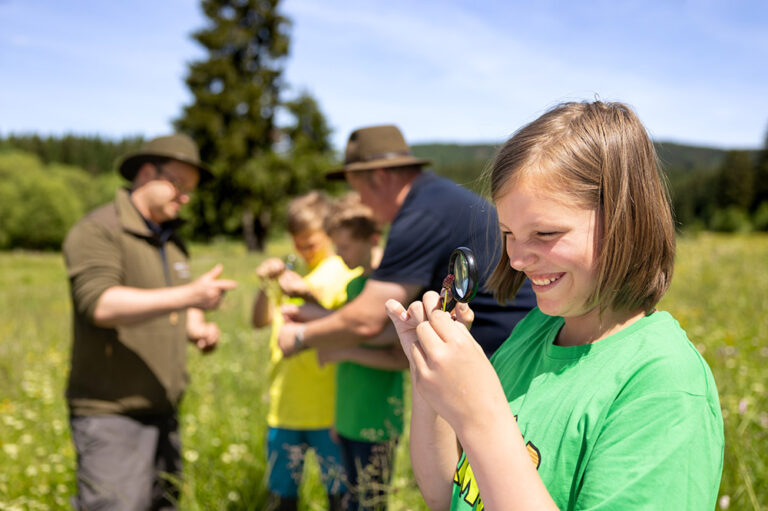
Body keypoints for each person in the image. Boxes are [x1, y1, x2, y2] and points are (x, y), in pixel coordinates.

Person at [385, 100, 724, 510]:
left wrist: (482, 416)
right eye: (508, 232)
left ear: (624, 220)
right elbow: (447, 496)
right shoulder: (534, 330)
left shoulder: (663, 385)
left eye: (544, 233)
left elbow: (484, 438)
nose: (516, 259)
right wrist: (428, 372)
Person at [63, 134, 238, 510]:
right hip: (112, 415)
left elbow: (176, 303)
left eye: (190, 189)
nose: (185, 197)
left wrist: (198, 328)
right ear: (146, 173)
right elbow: (100, 304)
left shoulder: (172, 241)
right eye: (178, 184)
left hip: (164, 412)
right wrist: (191, 295)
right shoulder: (99, 229)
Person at [277, 124, 536, 363]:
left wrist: (301, 336)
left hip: (506, 354)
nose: (362, 202)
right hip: (515, 342)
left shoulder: (420, 216)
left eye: (360, 191)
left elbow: (367, 320)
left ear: (379, 177)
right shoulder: (431, 198)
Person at [251, 191, 360, 511]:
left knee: (339, 496)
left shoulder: (343, 274)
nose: (303, 250)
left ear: (329, 234)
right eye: (297, 243)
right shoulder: (295, 275)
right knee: (282, 497)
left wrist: (307, 296)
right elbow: (259, 321)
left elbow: (346, 326)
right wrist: (265, 285)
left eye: (310, 242)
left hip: (328, 409)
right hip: (285, 408)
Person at [313, 192, 408, 510]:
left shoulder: (393, 289)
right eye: (336, 247)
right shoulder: (352, 286)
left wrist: (344, 352)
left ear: (372, 238)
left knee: (372, 503)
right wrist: (338, 420)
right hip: (347, 419)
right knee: (349, 501)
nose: (339, 255)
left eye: (345, 247)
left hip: (378, 422)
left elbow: (400, 359)